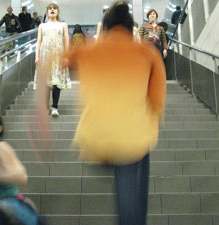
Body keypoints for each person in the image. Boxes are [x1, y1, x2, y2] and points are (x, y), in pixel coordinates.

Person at [59, 1, 166, 224]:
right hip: (131, 140)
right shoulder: (147, 54)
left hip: (94, 140)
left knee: (128, 150)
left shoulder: (89, 50)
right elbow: (156, 102)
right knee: (137, 159)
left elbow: (58, 61)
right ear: (132, 29)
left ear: (104, 28)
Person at [35, 3, 70, 117]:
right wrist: (37, 56)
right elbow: (39, 42)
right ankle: (46, 108)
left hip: (58, 55)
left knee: (56, 82)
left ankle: (55, 107)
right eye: (50, 8)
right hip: (45, 55)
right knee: (46, 83)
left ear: (58, 11)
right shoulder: (42, 26)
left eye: (54, 8)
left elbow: (66, 41)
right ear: (47, 12)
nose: (52, 10)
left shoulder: (63, 25)